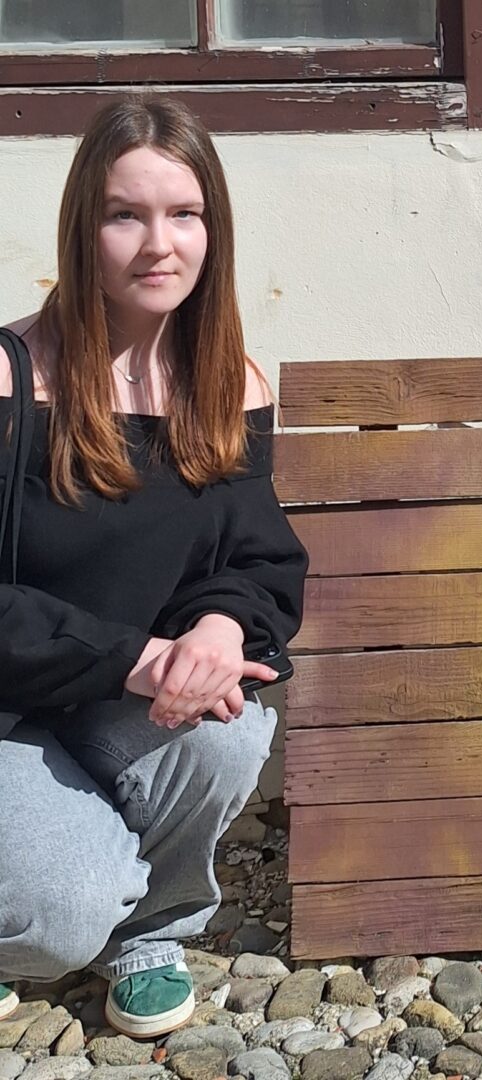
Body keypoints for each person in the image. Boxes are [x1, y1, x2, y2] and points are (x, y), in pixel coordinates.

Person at [0, 97, 307, 1039]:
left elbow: (256, 555)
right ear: (82, 228)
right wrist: (134, 659)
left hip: (121, 702)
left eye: (184, 214)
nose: (159, 244)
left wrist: (218, 626)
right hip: (10, 703)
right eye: (125, 215)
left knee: (229, 727)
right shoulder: (9, 379)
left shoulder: (229, 384)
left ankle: (151, 930)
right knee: (56, 925)